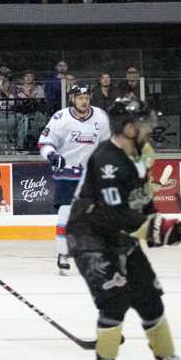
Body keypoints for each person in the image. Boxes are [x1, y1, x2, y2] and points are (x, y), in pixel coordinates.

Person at [68, 105, 181, 360]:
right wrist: (160, 230)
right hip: (91, 238)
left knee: (149, 297)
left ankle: (167, 358)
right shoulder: (105, 161)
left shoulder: (142, 154)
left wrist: (162, 228)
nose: (149, 128)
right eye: (142, 124)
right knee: (114, 298)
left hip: (120, 236)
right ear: (127, 128)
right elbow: (114, 214)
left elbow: (141, 202)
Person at [38, 84, 109, 275]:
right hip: (67, 175)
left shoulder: (101, 117)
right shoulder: (61, 118)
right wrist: (52, 156)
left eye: (86, 97)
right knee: (65, 216)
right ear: (72, 99)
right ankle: (63, 254)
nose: (84, 101)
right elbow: (44, 142)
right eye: (79, 98)